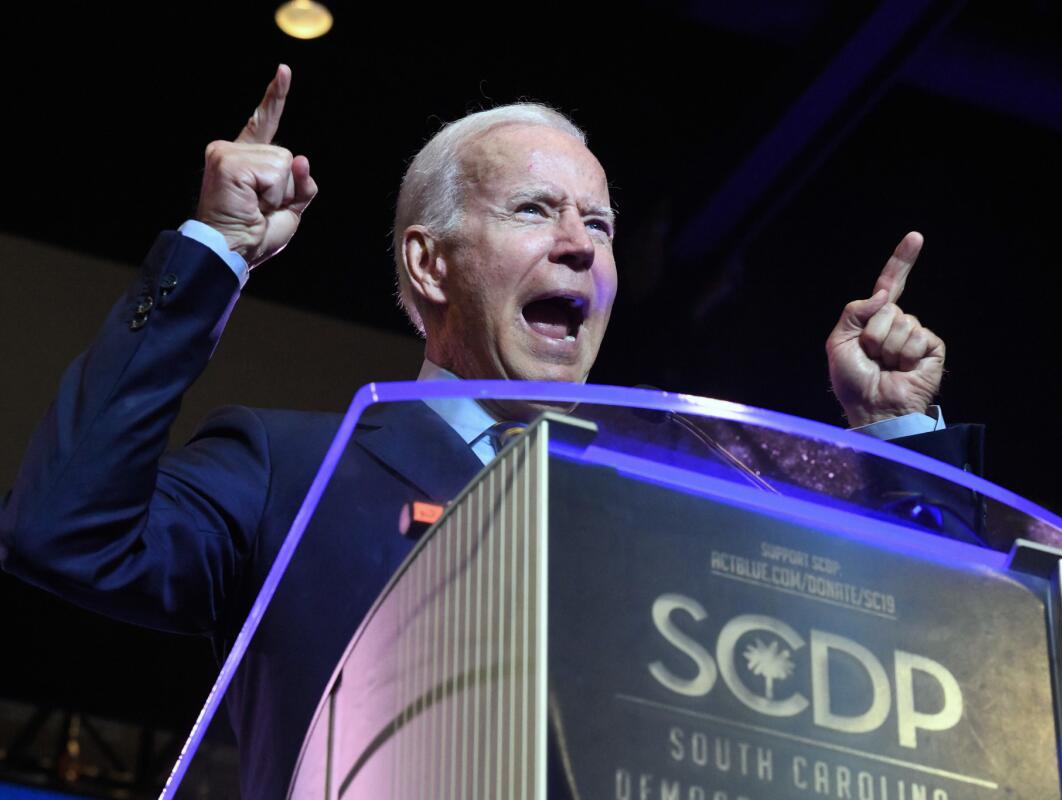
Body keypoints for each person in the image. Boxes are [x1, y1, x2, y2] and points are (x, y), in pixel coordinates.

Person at [0, 66, 968, 797]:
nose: (581, 243)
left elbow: (923, 680)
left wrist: (897, 435)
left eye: (600, 220)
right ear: (429, 262)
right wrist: (213, 255)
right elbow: (66, 532)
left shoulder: (691, 496)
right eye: (536, 210)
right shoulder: (294, 467)